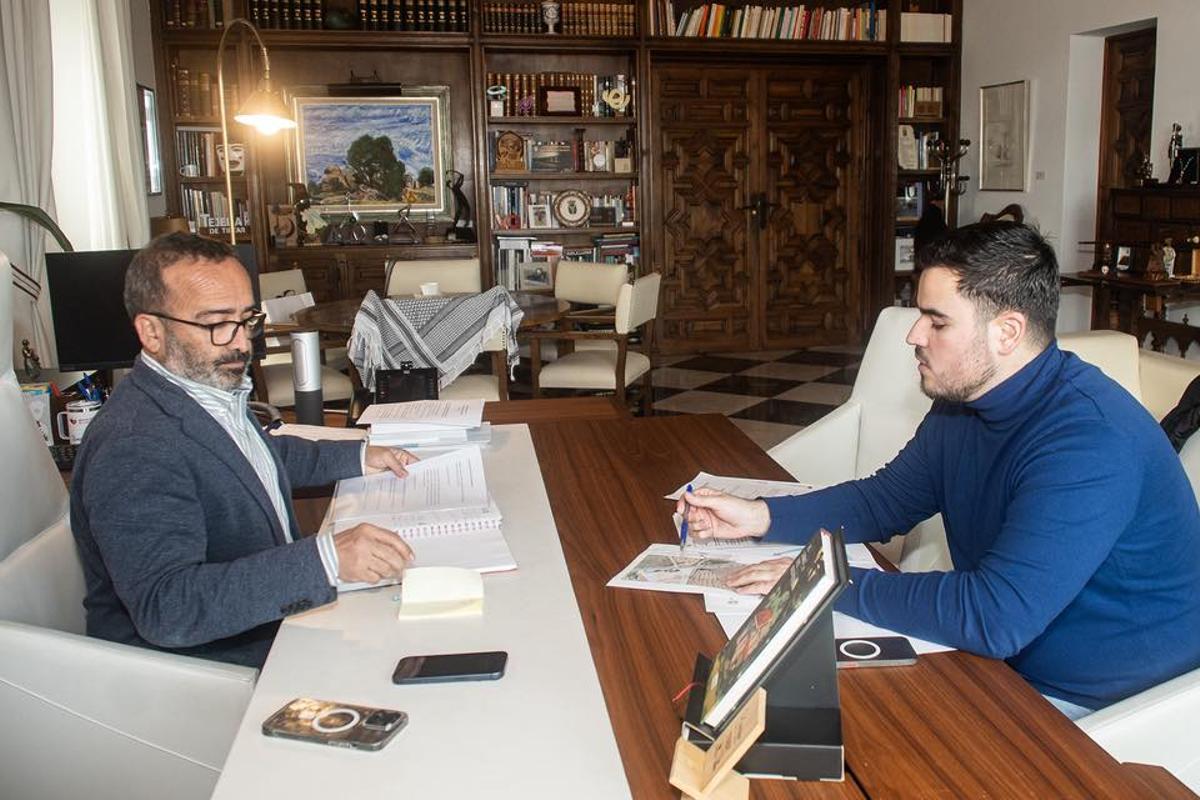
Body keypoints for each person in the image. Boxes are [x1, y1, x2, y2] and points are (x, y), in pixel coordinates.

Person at [679, 222, 1200, 717]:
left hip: (1106, 702)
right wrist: (760, 517)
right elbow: (884, 501)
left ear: (1008, 332)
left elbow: (995, 615)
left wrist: (827, 580)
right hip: (1009, 661)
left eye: (938, 320)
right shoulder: (966, 399)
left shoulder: (1089, 438)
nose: (914, 335)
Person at [71, 233, 418, 668]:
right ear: (151, 332)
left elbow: (252, 458)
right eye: (216, 323)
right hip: (208, 669)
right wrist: (326, 558)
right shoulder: (135, 444)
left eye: (247, 319)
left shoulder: (199, 394)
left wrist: (355, 456)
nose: (240, 343)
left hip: (265, 624)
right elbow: (168, 608)